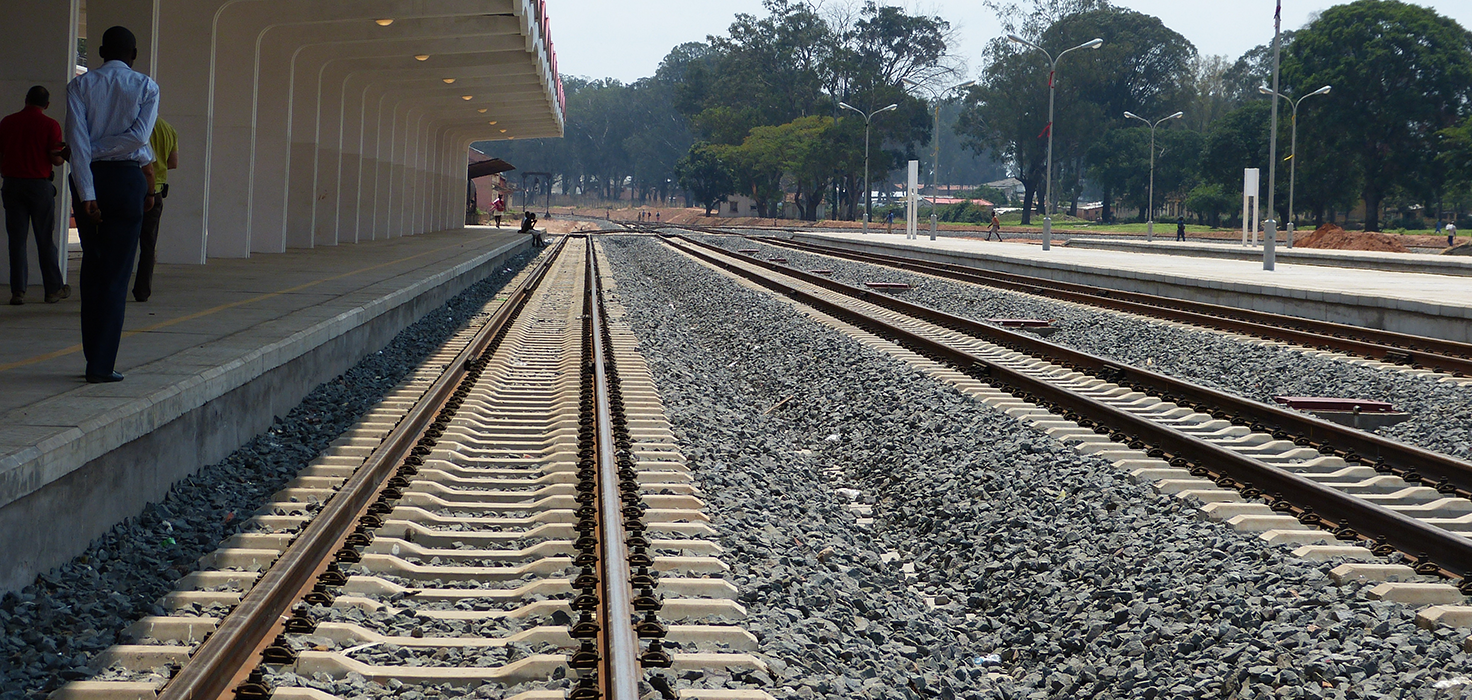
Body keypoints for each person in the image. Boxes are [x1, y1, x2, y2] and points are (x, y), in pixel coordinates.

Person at [66, 26, 159, 384]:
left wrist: (87, 192)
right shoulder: (147, 86)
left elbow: (76, 141)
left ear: (100, 51)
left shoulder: (79, 86)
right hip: (125, 181)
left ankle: (93, 356)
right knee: (117, 275)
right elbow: (138, 138)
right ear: (133, 53)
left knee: (93, 268)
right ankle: (101, 365)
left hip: (89, 180)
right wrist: (96, 148)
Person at [1, 86, 71, 306]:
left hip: (12, 185)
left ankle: (18, 292)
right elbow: (56, 159)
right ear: (47, 105)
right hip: (39, 187)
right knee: (44, 239)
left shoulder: (7, 122)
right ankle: (52, 290)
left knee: (17, 240)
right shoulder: (50, 125)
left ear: (25, 100)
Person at [132, 117, 176, 303]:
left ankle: (115, 286)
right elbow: (173, 162)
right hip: (156, 192)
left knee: (124, 241)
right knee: (148, 245)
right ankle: (143, 290)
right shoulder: (168, 129)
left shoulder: (136, 127)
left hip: (134, 191)